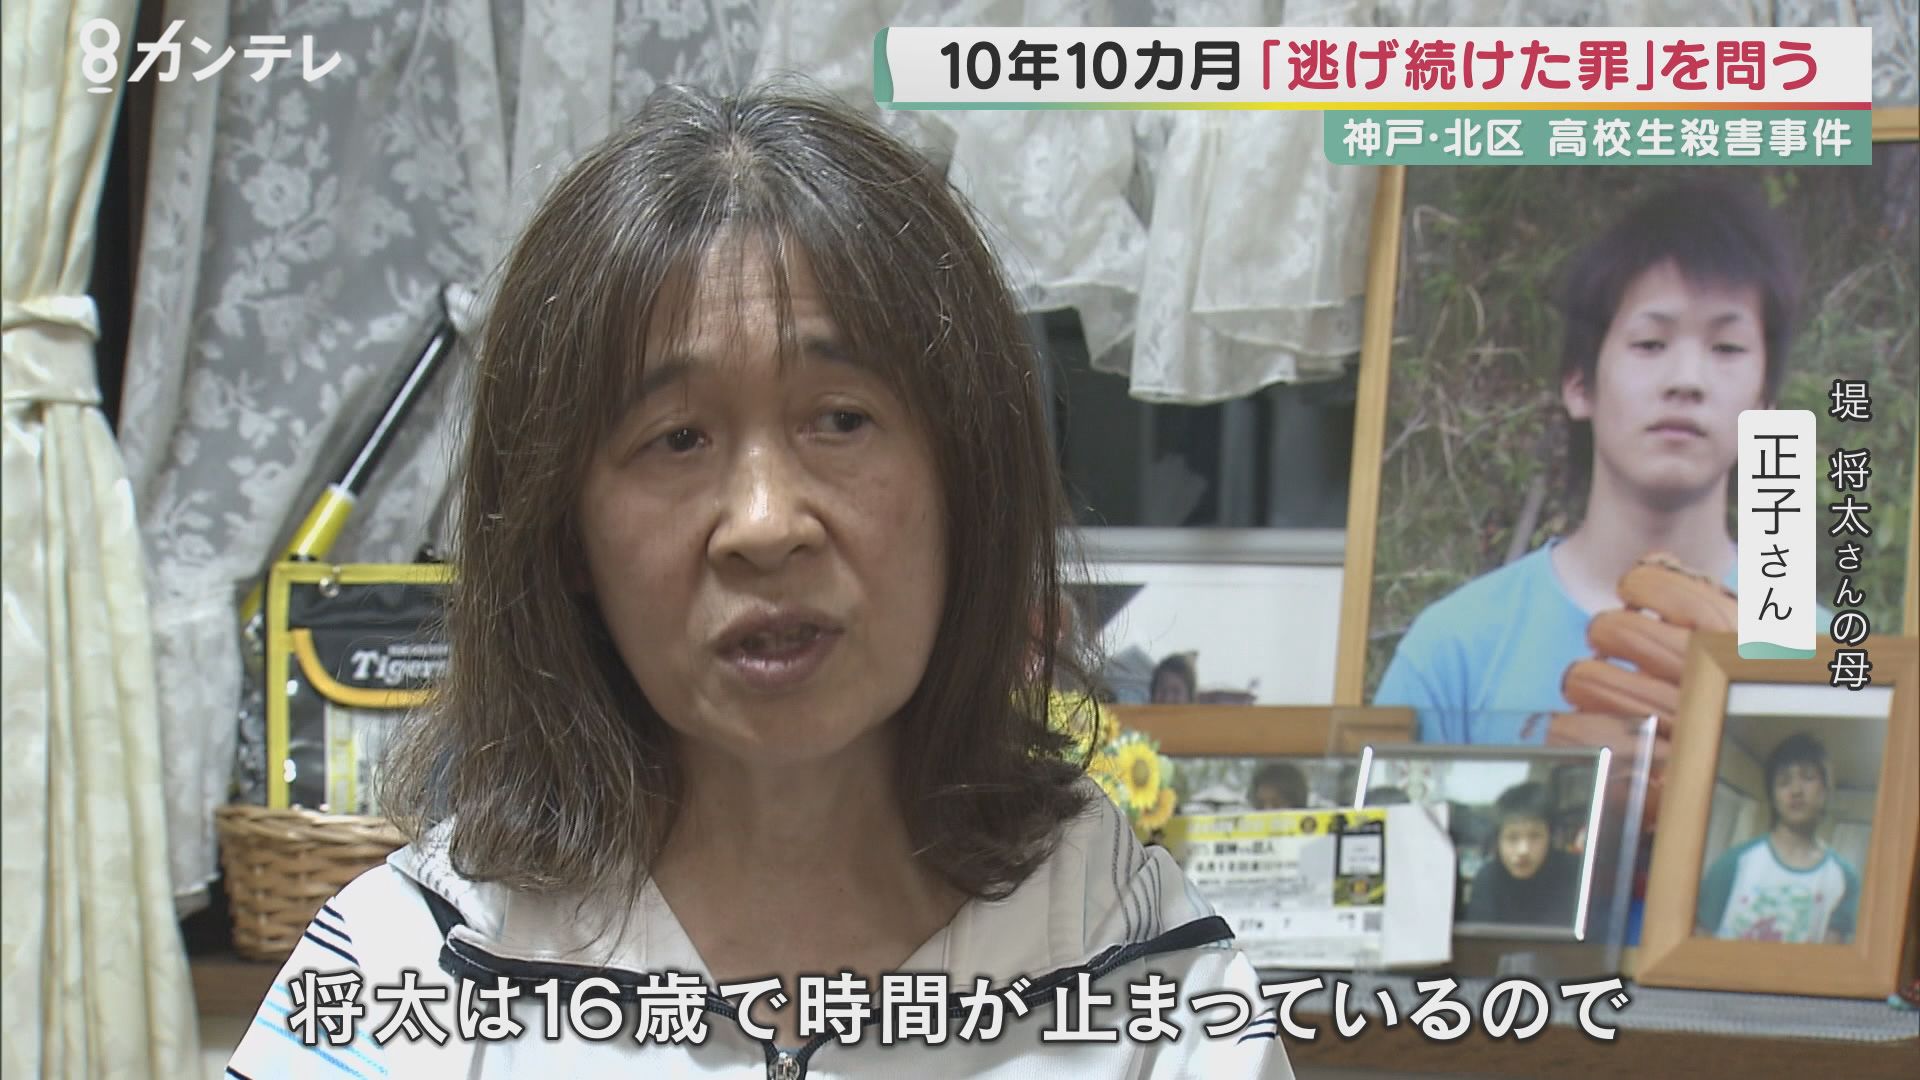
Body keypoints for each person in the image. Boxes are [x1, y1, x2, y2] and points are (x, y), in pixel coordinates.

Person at [226, 86, 1294, 1078]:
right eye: (676, 437)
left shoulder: (1153, 978)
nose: (766, 524)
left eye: (841, 420)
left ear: (968, 486)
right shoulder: (404, 972)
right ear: (566, 537)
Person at [1374, 180, 1802, 747]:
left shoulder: (1810, 653)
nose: (1687, 381)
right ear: (1579, 384)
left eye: (1726, 349)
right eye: (1650, 344)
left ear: (1765, 404)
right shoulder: (1455, 651)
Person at [1697, 733, 1860, 944]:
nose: (1796, 791)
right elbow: (1700, 939)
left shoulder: (1844, 877)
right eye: (1784, 782)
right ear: (1773, 797)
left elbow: (1831, 955)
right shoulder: (1733, 863)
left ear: (1826, 790)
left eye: (1808, 777)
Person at [1464, 782, 1583, 928]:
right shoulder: (1487, 878)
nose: (1523, 850)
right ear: (1497, 842)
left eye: (1535, 836)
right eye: (1512, 838)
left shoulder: (1577, 873)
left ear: (1550, 837)